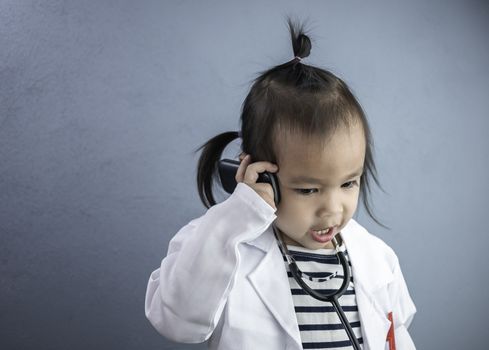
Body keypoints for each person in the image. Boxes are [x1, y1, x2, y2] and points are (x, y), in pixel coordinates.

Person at [145, 17, 416, 350]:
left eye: (349, 183)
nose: (333, 209)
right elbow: (177, 323)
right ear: (263, 177)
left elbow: (397, 335)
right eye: (307, 189)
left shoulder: (377, 257)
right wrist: (237, 214)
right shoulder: (223, 244)